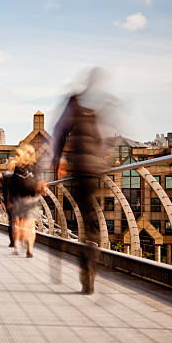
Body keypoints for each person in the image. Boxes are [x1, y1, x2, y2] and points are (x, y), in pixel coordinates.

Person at [50, 67, 109, 294]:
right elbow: (103, 139)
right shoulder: (97, 110)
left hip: (80, 170)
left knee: (71, 218)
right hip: (96, 171)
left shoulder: (73, 103)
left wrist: (58, 161)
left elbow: (59, 131)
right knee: (92, 220)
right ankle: (91, 256)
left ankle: (80, 255)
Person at [10, 145, 42, 258]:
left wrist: (11, 200)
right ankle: (30, 249)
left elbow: (13, 186)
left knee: (17, 223)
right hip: (32, 198)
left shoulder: (18, 167)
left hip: (19, 198)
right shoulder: (36, 167)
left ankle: (17, 246)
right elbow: (38, 183)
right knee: (31, 224)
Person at [0, 159, 16, 247]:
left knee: (11, 221)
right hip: (19, 201)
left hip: (8, 201)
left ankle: (12, 241)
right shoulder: (19, 176)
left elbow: (0, 188)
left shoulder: (4, 176)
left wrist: (1, 201)